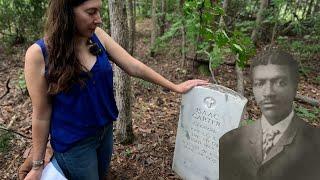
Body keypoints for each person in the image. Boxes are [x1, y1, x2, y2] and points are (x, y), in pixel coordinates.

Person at [23, 0, 209, 179]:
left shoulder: (98, 37)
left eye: (99, 10)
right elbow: (41, 114)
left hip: (105, 133)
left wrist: (175, 87)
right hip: (75, 144)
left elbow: (134, 66)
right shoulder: (38, 54)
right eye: (91, 12)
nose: (99, 18)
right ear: (67, 12)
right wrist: (38, 165)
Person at [219, 50, 320, 180]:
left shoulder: (315, 145)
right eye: (260, 83)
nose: (268, 93)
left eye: (280, 83)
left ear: (295, 87)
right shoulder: (230, 141)